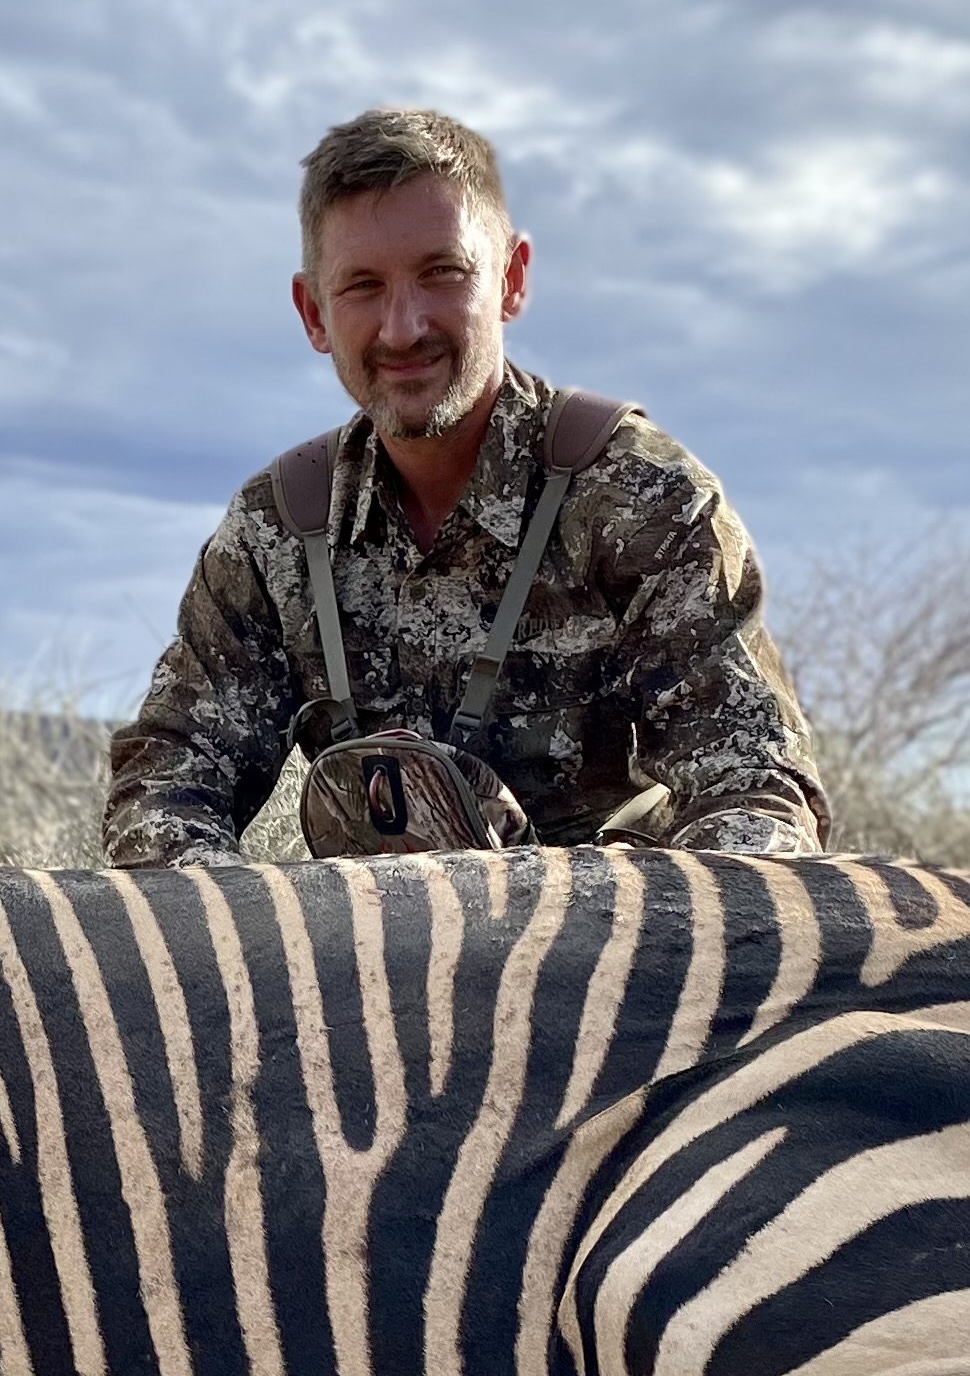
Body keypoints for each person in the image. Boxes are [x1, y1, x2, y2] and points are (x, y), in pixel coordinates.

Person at [104, 106, 827, 869]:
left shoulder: (644, 503)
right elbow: (168, 784)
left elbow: (757, 793)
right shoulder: (275, 529)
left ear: (511, 280)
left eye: (442, 273)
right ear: (313, 313)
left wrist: (638, 945)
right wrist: (251, 936)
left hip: (604, 962)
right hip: (365, 959)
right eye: (362, 287)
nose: (403, 326)